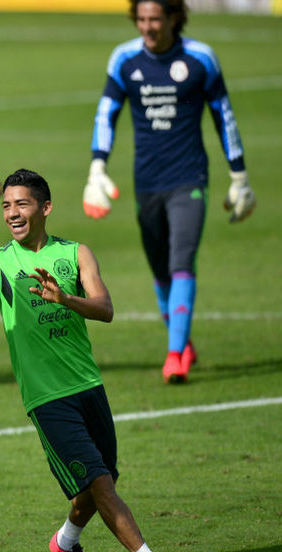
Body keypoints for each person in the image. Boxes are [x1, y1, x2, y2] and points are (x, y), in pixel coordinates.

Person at [0, 168, 190, 552]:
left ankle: (65, 542)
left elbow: (105, 308)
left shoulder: (77, 254)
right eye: (6, 206)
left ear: (45, 208)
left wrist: (64, 298)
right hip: (46, 396)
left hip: (87, 384)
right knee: (100, 483)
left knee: (103, 479)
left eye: (21, 204)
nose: (12, 213)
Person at [82, 0, 255, 384]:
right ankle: (183, 342)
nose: (147, 27)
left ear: (174, 18)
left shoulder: (200, 59)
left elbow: (224, 116)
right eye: (141, 19)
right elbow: (105, 114)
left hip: (189, 179)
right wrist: (97, 168)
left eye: (155, 19)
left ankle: (175, 355)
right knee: (160, 271)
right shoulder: (124, 59)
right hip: (147, 182)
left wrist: (239, 176)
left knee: (181, 262)